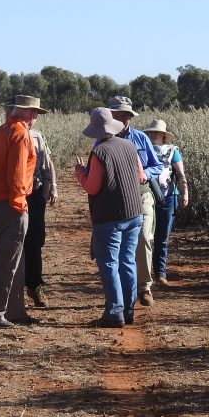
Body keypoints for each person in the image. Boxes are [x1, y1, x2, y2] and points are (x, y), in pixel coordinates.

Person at [75, 107, 146, 328]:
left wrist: (80, 172)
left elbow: (92, 187)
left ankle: (115, 312)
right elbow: (141, 176)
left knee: (109, 263)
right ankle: (128, 309)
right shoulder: (129, 145)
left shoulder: (100, 152)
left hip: (109, 216)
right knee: (127, 261)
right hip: (134, 212)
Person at [0, 95, 46, 329]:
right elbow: (17, 173)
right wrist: (19, 204)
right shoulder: (20, 133)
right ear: (29, 114)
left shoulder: (0, 132)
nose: (36, 117)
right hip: (11, 204)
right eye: (36, 113)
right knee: (7, 261)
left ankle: (9, 310)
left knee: (9, 259)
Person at [105, 96, 164, 308]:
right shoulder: (102, 140)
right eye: (118, 115)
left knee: (144, 237)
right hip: (115, 198)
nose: (122, 119)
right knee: (117, 244)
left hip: (141, 194)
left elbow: (157, 166)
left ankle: (144, 287)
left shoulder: (140, 138)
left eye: (126, 115)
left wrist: (145, 174)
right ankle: (122, 290)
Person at [142, 119, 189, 285]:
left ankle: (160, 273)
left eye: (157, 132)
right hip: (147, 196)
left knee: (162, 237)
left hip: (168, 197)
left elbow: (181, 174)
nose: (153, 135)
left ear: (164, 135)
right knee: (145, 237)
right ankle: (145, 275)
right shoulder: (144, 150)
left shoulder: (173, 151)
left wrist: (185, 194)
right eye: (151, 132)